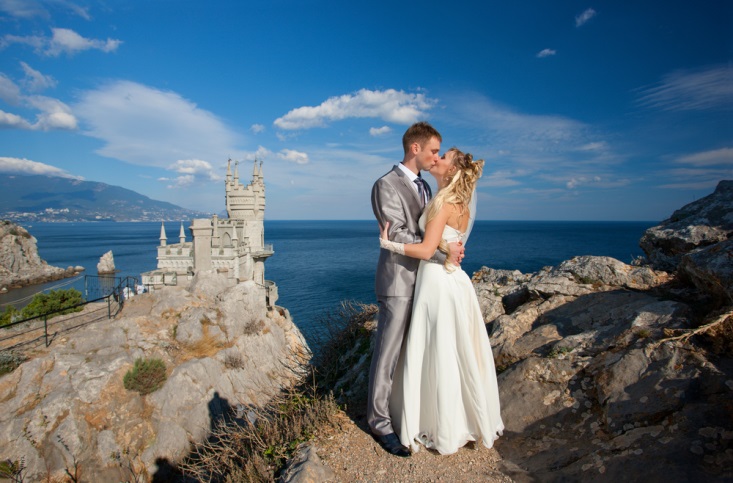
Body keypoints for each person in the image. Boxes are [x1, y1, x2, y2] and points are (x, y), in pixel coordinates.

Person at [380, 147, 504, 455]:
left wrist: (388, 243)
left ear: (450, 171)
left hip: (436, 280)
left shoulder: (444, 201)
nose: (436, 159)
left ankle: (437, 423)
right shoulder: (460, 203)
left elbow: (425, 250)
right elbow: (448, 244)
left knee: (436, 350)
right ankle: (460, 420)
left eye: (443, 156)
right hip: (455, 281)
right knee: (452, 350)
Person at [369, 122, 464, 457]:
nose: (436, 156)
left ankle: (406, 415)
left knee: (417, 353)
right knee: (388, 353)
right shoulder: (386, 185)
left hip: (426, 283)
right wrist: (441, 250)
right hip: (398, 281)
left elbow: (432, 229)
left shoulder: (426, 187)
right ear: (415, 148)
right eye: (434, 150)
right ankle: (379, 422)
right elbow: (395, 234)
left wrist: (446, 246)